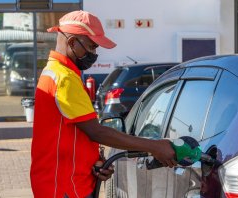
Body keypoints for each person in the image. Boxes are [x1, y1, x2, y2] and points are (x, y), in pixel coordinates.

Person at [30, 10, 176, 198]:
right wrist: (155, 146)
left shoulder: (58, 72)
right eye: (91, 47)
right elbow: (97, 132)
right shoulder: (63, 78)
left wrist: (93, 162)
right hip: (65, 187)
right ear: (73, 42)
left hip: (68, 182)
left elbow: (74, 134)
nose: (94, 53)